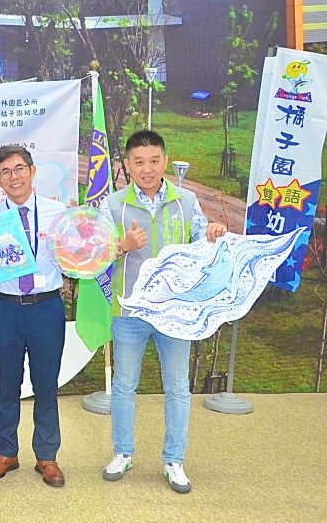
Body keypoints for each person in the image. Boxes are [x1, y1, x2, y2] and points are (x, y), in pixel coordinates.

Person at [102, 129, 227, 494]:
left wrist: (213, 232)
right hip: (130, 311)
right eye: (139, 162)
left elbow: (203, 241)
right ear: (127, 165)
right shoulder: (112, 205)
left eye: (154, 160)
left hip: (175, 312)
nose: (147, 169)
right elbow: (96, 255)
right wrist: (123, 245)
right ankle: (123, 453)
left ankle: (174, 460)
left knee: (177, 387)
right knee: (124, 386)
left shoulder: (186, 201)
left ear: (165, 161)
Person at [0, 144, 68, 488]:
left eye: (19, 169)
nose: (14, 177)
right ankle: (5, 453)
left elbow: (74, 255)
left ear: (32, 171)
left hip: (46, 307)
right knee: (7, 384)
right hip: (5, 309)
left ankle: (47, 456)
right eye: (5, 172)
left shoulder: (59, 213)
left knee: (46, 384)